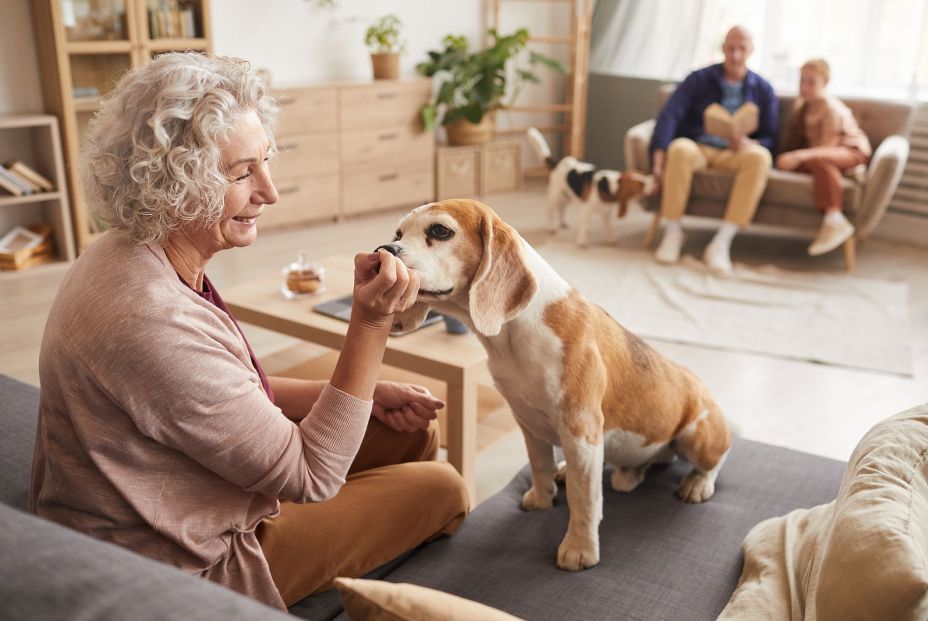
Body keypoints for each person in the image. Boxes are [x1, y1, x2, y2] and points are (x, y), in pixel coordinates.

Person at [29, 53, 469, 610]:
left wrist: (365, 395)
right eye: (242, 173)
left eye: (266, 161)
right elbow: (312, 475)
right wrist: (372, 323)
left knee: (408, 433)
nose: (270, 191)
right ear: (172, 184)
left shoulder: (128, 251)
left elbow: (213, 396)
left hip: (185, 494)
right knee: (445, 487)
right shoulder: (150, 321)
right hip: (182, 560)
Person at [650, 26, 777, 275]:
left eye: (742, 48)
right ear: (723, 48)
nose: (736, 54)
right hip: (699, 146)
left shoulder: (764, 89)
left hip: (737, 152)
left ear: (751, 50)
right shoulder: (698, 79)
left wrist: (751, 143)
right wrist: (657, 156)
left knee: (760, 157)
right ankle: (673, 232)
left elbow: (772, 138)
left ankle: (722, 242)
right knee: (679, 149)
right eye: (731, 47)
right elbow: (670, 114)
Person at [776, 59, 871, 256]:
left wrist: (799, 156)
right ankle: (844, 176)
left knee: (820, 161)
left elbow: (827, 149)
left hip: (849, 150)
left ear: (825, 83)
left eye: (811, 82)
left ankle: (834, 219)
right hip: (821, 155)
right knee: (807, 162)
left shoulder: (831, 109)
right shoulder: (802, 107)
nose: (804, 87)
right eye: (802, 81)